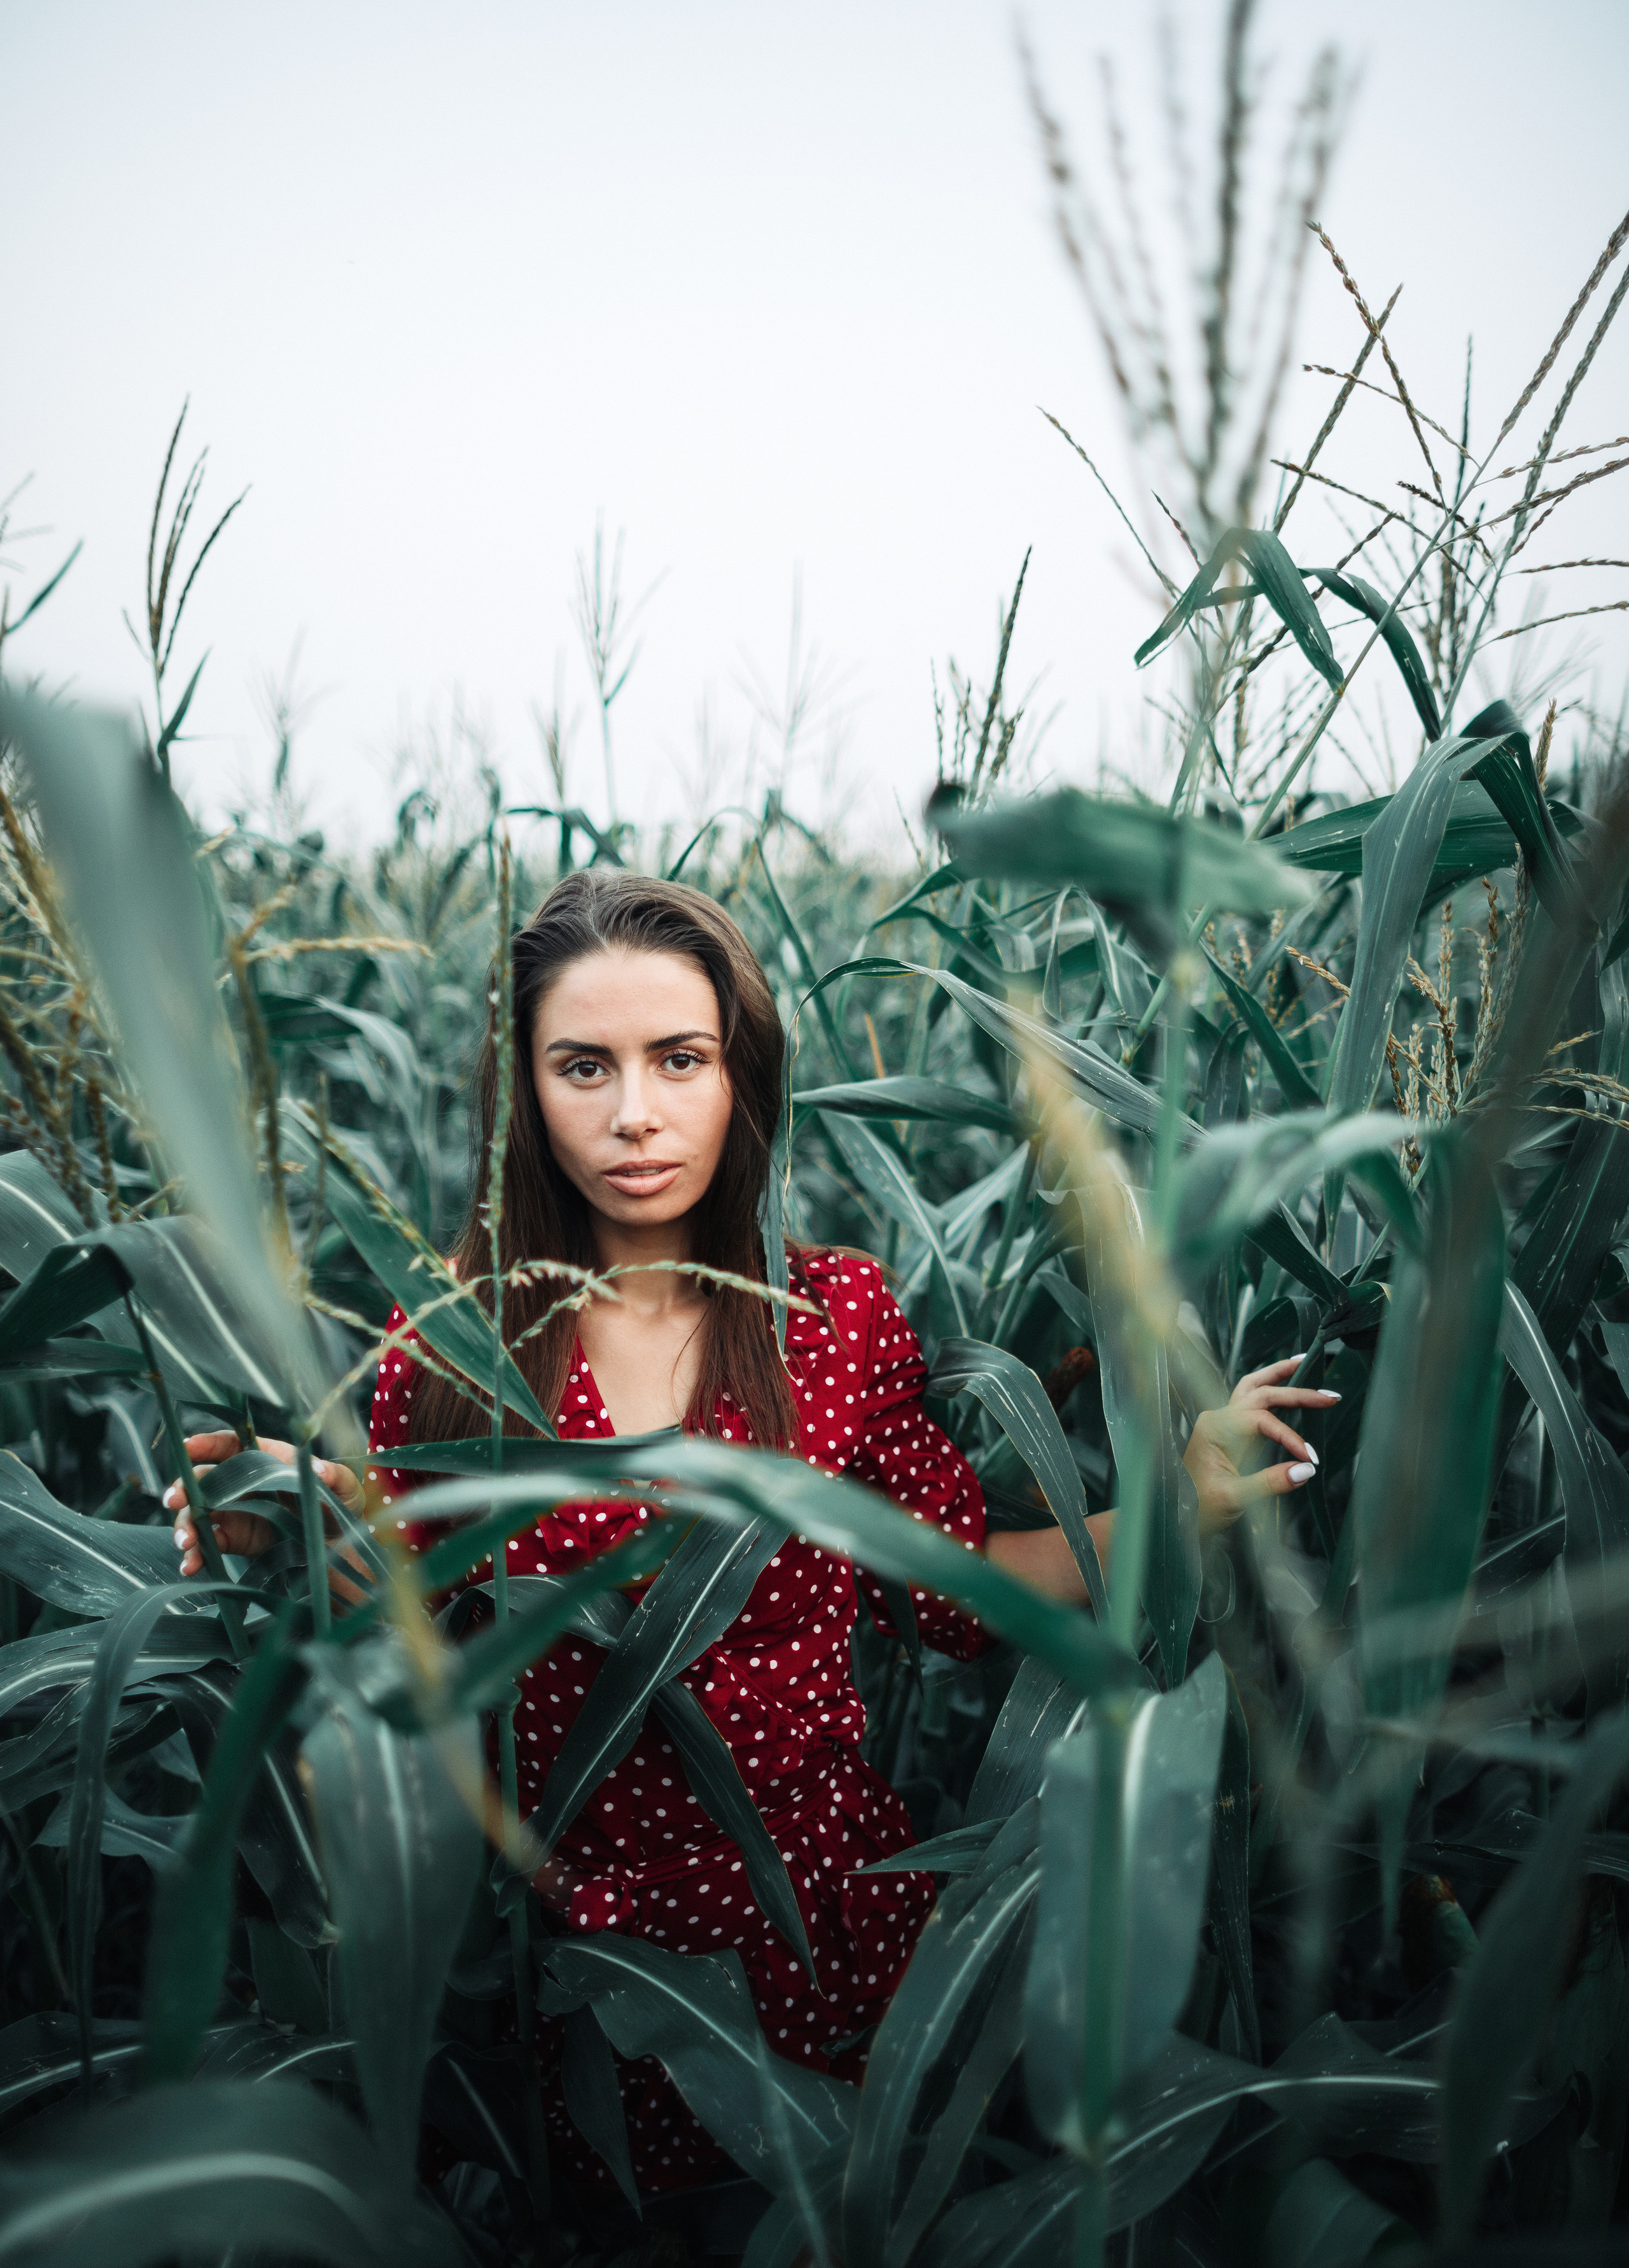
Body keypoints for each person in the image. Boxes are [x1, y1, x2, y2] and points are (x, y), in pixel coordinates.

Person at [169, 870, 1333, 2197]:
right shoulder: (450, 1342)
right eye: (583, 1066)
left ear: (741, 1077)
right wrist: (296, 1515)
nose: (635, 1113)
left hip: (815, 1920)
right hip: (567, 1962)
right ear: (524, 1093)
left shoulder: (831, 1322)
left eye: (680, 1059)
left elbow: (961, 1590)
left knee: (818, 2260)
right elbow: (418, 1633)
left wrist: (1179, 1499)